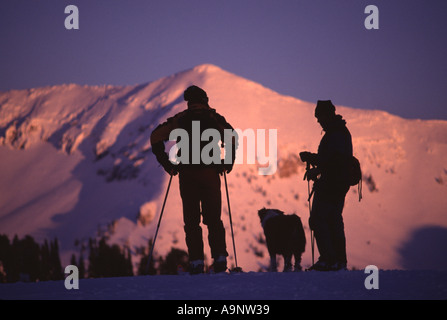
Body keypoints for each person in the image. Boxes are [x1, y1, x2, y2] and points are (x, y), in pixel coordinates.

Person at [150, 85, 237, 274]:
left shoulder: (180, 119)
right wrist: (226, 163)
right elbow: (232, 137)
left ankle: (196, 261)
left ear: (189, 102)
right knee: (213, 219)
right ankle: (220, 259)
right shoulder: (214, 118)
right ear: (205, 100)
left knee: (191, 221)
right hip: (210, 174)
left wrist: (168, 164)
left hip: (187, 175)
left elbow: (155, 136)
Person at [300, 100, 353, 271]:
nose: (318, 121)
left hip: (331, 183)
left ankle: (328, 259)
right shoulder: (339, 132)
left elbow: (332, 161)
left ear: (327, 115)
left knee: (318, 219)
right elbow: (333, 159)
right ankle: (339, 260)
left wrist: (316, 167)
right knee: (334, 220)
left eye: (319, 117)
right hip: (339, 182)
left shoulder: (335, 134)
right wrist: (314, 160)